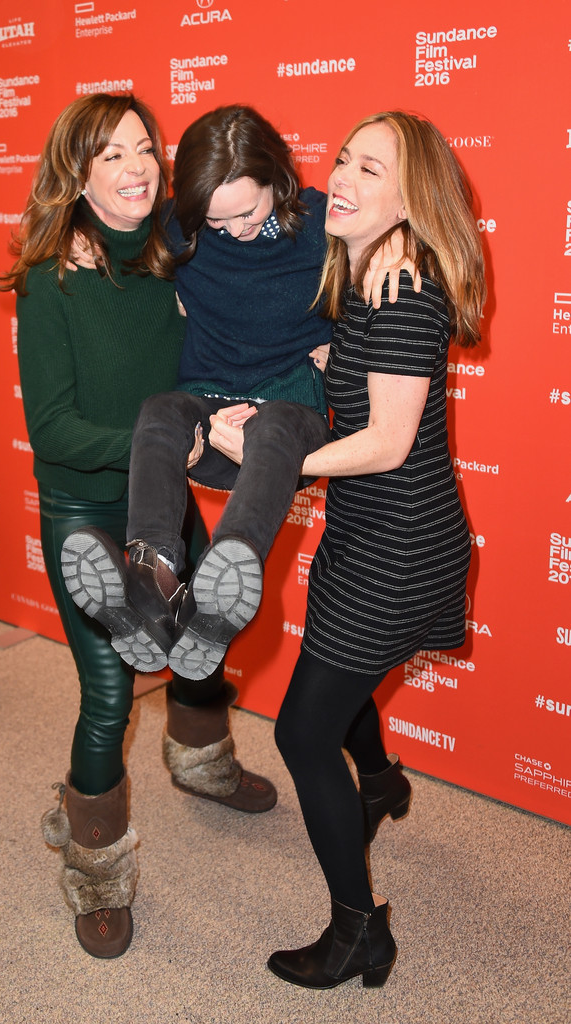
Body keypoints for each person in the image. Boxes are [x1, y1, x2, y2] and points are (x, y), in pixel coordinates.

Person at [0, 93, 278, 962]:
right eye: (110, 154)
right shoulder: (51, 276)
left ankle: (202, 764)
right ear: (77, 174)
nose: (137, 166)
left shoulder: (175, 249)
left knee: (202, 640)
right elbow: (55, 431)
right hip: (86, 507)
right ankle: (96, 870)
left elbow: (267, 248)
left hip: (165, 492)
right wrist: (168, 442)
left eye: (144, 147)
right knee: (112, 691)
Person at [210, 110, 485, 989]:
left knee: (299, 729)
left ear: (412, 199)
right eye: (344, 161)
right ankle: (379, 782)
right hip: (368, 530)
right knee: (339, 680)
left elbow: (387, 442)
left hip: (399, 542)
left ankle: (359, 931)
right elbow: (345, 380)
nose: (347, 180)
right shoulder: (365, 268)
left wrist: (270, 457)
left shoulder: (403, 287)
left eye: (375, 170)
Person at [61, 105, 418, 687]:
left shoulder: (321, 225)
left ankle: (220, 588)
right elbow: (115, 216)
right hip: (208, 402)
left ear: (277, 179)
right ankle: (153, 578)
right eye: (217, 222)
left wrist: (397, 244)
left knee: (275, 425)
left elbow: (398, 221)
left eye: (247, 212)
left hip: (288, 414)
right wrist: (75, 229)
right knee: (158, 412)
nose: (234, 230)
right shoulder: (181, 224)